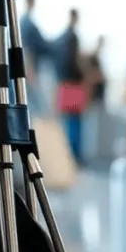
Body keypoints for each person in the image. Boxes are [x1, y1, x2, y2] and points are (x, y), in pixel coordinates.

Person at [55, 9, 85, 163]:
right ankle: (75, 155)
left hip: (65, 81)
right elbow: (73, 61)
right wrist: (82, 76)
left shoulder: (63, 37)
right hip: (73, 83)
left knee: (69, 120)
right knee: (75, 121)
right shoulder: (72, 37)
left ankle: (70, 155)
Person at [19, 0, 52, 116]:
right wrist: (30, 70)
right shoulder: (26, 23)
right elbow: (26, 48)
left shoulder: (28, 22)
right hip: (30, 69)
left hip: (32, 69)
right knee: (35, 108)